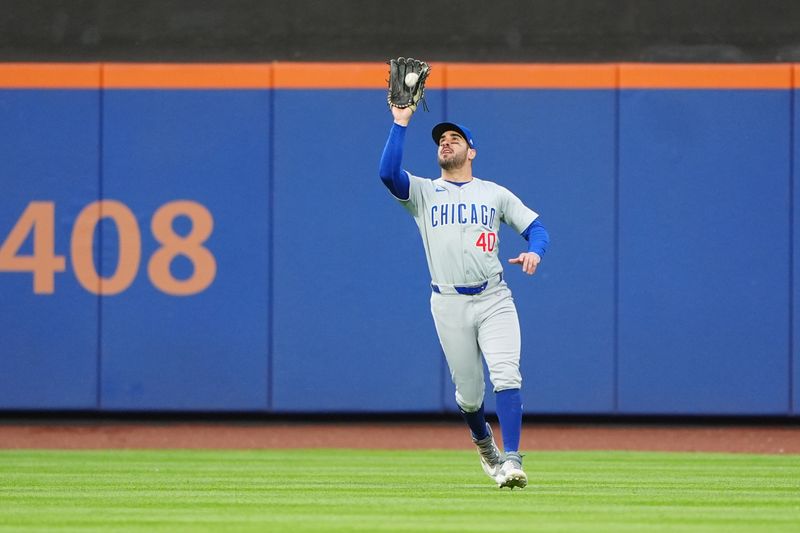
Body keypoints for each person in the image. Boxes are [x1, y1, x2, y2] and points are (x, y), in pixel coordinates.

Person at [378, 104, 550, 489]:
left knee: (506, 374)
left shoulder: (493, 193)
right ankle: (483, 441)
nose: (446, 142)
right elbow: (388, 173)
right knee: (470, 395)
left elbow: (536, 227)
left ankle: (512, 458)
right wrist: (401, 121)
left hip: (494, 298)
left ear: (471, 151)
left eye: (455, 138)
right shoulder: (423, 192)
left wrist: (535, 251)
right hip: (448, 302)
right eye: (441, 139)